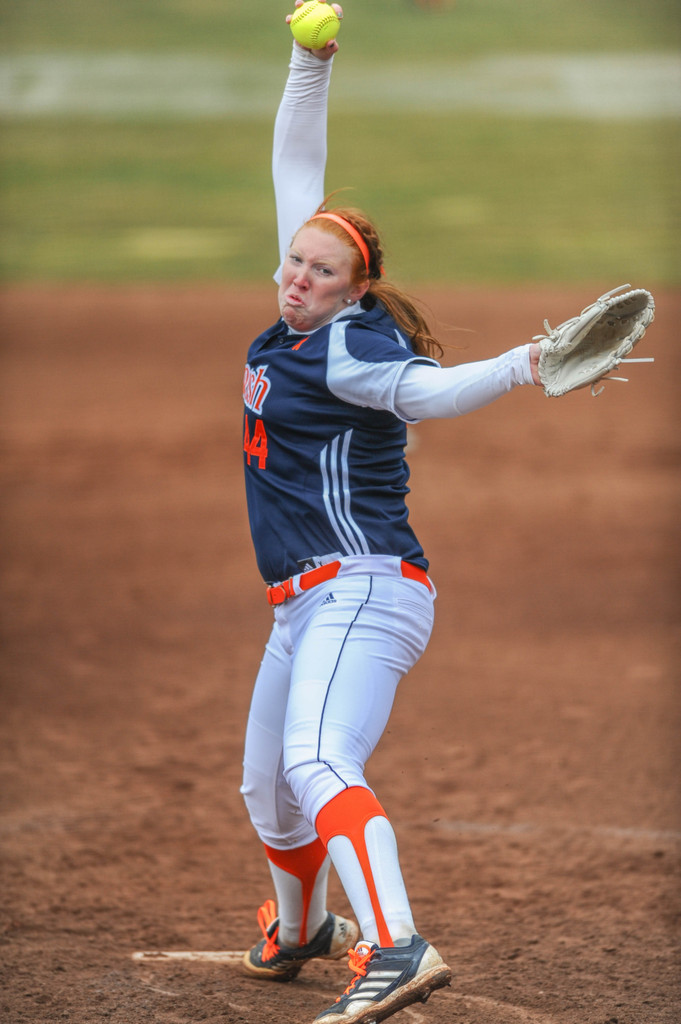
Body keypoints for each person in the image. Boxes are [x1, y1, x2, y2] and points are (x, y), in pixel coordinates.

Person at [239, 6, 542, 1022]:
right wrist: (307, 59)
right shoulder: (301, 297)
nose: (296, 277)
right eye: (293, 262)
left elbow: (432, 395)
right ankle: (304, 926)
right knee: (269, 790)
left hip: (365, 591)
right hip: (303, 603)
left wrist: (523, 364)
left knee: (320, 760)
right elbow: (297, 157)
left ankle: (395, 941)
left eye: (319, 273)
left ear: (353, 289)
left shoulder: (353, 351)